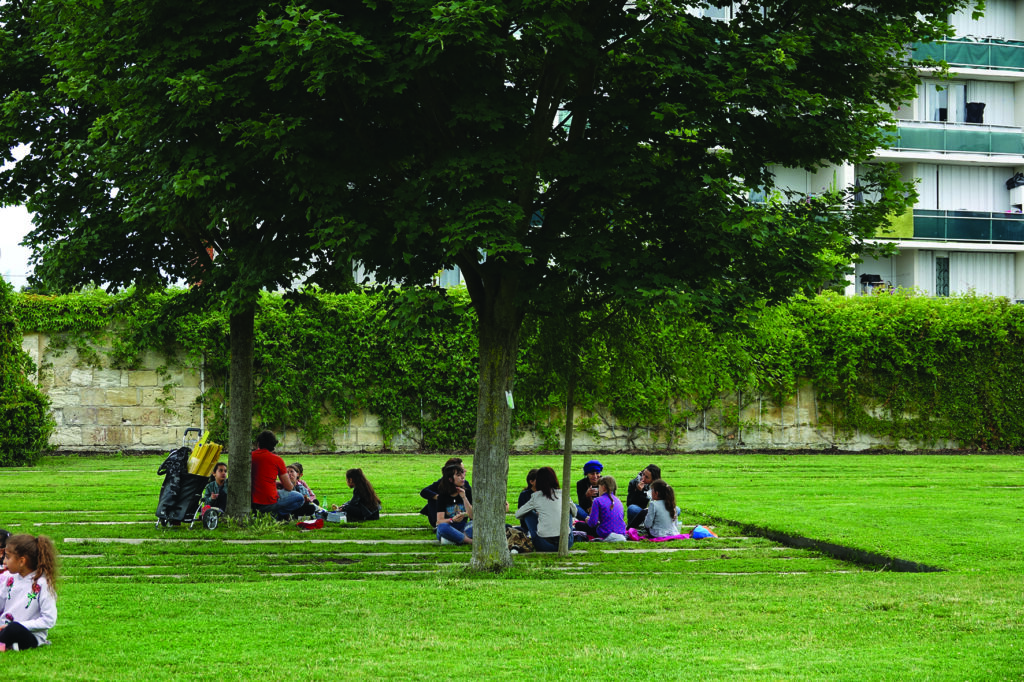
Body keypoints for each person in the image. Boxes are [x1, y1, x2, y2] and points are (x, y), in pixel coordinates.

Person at [0, 534, 58, 651]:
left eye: (8, 557)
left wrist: (21, 625)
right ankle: (7, 644)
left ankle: (6, 643)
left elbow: (49, 620)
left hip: (27, 633)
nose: (4, 561)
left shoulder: (42, 584)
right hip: (3, 629)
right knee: (10, 630)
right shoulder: (10, 578)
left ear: (22, 561)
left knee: (14, 629)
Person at [515, 466, 577, 552]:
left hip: (543, 545)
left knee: (528, 514)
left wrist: (537, 514)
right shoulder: (563, 493)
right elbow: (574, 512)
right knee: (568, 509)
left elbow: (518, 514)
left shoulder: (536, 496)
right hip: (566, 544)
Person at [250, 430, 304, 519]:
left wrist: (275, 483)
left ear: (258, 443)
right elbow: (289, 487)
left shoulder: (251, 456)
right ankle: (276, 515)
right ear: (273, 445)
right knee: (299, 497)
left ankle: (268, 515)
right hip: (269, 501)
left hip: (251, 500)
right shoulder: (277, 460)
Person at [420, 457, 472, 528]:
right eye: (460, 472)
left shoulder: (465, 487)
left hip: (461, 521)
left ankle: (464, 536)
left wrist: (464, 497)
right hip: (445, 520)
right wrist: (440, 499)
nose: (464, 473)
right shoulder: (442, 485)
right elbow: (424, 491)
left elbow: (473, 514)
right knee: (443, 528)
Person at [435, 464, 473, 545]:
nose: (463, 477)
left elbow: (472, 516)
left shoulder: (467, 492)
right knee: (442, 527)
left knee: (476, 523)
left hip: (464, 527)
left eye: (462, 474)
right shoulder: (443, 495)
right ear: (450, 479)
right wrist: (452, 520)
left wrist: (464, 497)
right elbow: (439, 521)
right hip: (449, 527)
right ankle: (470, 541)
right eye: (459, 475)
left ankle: (456, 538)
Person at [585, 475, 627, 542]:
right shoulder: (618, 500)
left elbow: (593, 523)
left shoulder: (597, 501)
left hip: (605, 533)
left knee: (579, 525)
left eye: (599, 487)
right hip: (620, 531)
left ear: (603, 487)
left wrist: (588, 520)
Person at [626, 464, 661, 529]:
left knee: (677, 509)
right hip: (642, 511)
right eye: (643, 474)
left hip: (655, 511)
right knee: (632, 508)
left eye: (647, 477)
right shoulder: (634, 483)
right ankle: (636, 526)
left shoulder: (659, 486)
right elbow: (629, 503)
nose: (643, 478)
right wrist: (638, 491)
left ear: (653, 480)